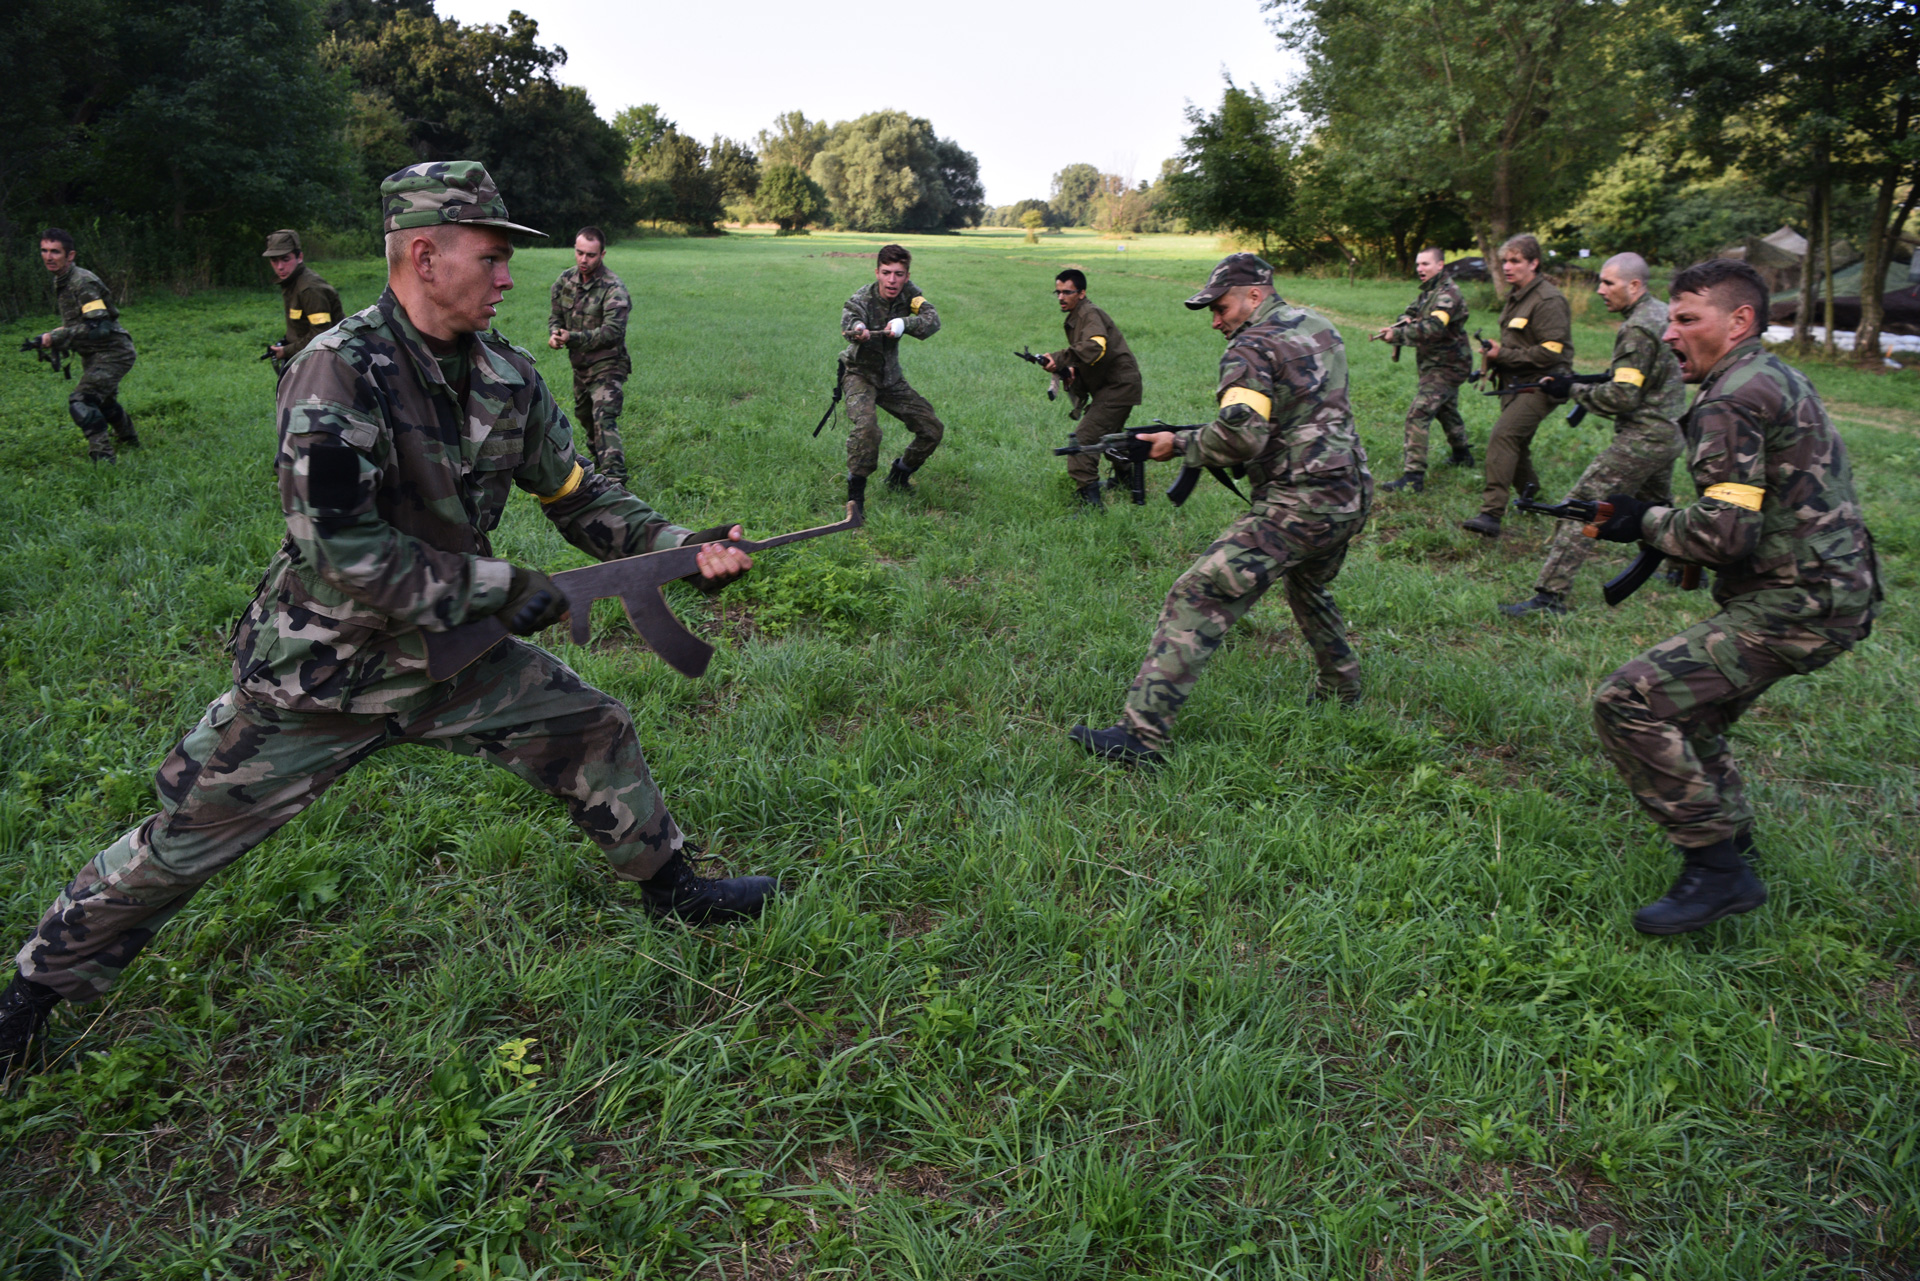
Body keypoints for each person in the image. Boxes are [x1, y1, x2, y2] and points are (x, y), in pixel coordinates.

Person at [0, 162, 776, 1075]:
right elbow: (343, 552)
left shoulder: (507, 376)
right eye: (490, 257)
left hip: (456, 657)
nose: (507, 277)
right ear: (424, 253)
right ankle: (32, 993)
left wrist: (683, 547)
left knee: (591, 726)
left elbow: (578, 491)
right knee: (184, 841)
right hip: (326, 669)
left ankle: (674, 887)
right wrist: (495, 585)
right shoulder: (335, 370)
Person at [1589, 259, 1880, 935]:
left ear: (1739, 320)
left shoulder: (1729, 398)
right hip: (1833, 587)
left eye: (1688, 320)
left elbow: (1724, 534)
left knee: (1628, 699)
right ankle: (1734, 842)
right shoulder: (1770, 374)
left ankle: (1718, 871)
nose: (1669, 335)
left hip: (1797, 600)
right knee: (1692, 710)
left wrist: (1647, 521)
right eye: (1671, 320)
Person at [1069, 254, 1371, 765]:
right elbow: (1301, 412)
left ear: (1255, 294)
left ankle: (1141, 737)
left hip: (1299, 505)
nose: (1215, 320)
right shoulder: (1320, 327)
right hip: (1351, 492)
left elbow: (1241, 435)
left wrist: (1177, 445)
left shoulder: (1250, 346)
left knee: (1198, 593)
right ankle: (1342, 689)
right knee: (1308, 584)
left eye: (1221, 306)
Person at [1502, 252, 1685, 616]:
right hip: (1670, 431)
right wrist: (1581, 380)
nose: (1600, 290)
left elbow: (1622, 395)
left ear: (1634, 285)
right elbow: (1636, 376)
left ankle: (1550, 596)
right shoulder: (1661, 313)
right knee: (1660, 506)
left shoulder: (1636, 328)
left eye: (1608, 283)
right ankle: (1682, 568)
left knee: (1584, 505)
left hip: (1644, 437)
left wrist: (1570, 391)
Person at [1462, 235, 1573, 537]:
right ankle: (1529, 492)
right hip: (1515, 382)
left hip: (1543, 384)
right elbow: (1521, 341)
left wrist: (1504, 354)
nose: (1507, 268)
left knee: (1504, 436)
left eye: (1515, 261)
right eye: (1504, 262)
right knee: (1517, 442)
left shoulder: (1548, 300)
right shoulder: (1519, 295)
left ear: (1534, 263)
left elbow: (1552, 352)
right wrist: (1497, 354)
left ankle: (1491, 514)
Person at [837, 244, 944, 504]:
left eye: (899, 273)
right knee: (867, 431)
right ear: (877, 272)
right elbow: (849, 321)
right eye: (886, 273)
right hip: (859, 374)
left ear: (907, 275)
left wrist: (904, 323)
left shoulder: (910, 294)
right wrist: (859, 329)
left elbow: (933, 320)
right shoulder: (862, 298)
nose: (892, 280)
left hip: (891, 379)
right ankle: (856, 497)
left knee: (931, 429)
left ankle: (899, 476)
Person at [27, 228, 139, 463]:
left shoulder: (82, 282)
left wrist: (57, 337)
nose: (48, 257)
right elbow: (85, 321)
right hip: (93, 352)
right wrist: (60, 332)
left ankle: (103, 458)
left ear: (70, 255)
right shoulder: (63, 278)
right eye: (44, 251)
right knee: (105, 401)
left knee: (83, 401)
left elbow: (100, 328)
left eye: (55, 252)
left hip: (112, 352)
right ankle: (129, 440)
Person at [1042, 269, 1144, 510]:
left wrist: (1062, 358)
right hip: (1115, 385)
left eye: (1067, 292)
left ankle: (1089, 502)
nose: (1061, 297)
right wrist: (1072, 369)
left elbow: (1095, 346)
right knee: (1113, 438)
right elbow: (1089, 355)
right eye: (1058, 292)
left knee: (1083, 440)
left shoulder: (1090, 313)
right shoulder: (1078, 315)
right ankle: (1126, 479)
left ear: (1082, 293)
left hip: (1118, 387)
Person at [1374, 247, 1473, 493]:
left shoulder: (1447, 295)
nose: (1420, 269)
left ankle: (1413, 477)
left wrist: (1397, 334)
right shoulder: (1430, 292)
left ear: (1440, 265)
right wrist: (1403, 319)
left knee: (1418, 414)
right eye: (1418, 264)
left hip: (1448, 366)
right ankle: (1462, 455)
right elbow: (1412, 312)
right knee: (1445, 410)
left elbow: (1434, 328)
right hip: (1435, 364)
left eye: (1426, 264)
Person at [548, 226, 632, 482]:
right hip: (580, 367)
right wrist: (555, 333)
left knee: (603, 417)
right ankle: (600, 460)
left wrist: (572, 338)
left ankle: (615, 481)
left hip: (608, 364)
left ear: (602, 254)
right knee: (585, 417)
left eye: (591, 255)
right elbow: (556, 315)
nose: (584, 260)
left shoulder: (613, 288)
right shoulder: (565, 281)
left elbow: (613, 332)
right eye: (579, 252)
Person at [263, 229, 344, 373]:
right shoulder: (291, 282)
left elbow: (322, 336)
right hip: (306, 356)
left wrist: (286, 351)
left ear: (299, 257)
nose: (280, 267)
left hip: (322, 361)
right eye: (274, 261)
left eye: (285, 259)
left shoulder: (309, 289)